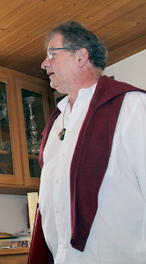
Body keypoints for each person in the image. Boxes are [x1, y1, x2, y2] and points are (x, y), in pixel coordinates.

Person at [27, 21, 146, 264]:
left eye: (52, 53)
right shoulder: (55, 123)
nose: (44, 63)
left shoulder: (131, 105)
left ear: (81, 56)